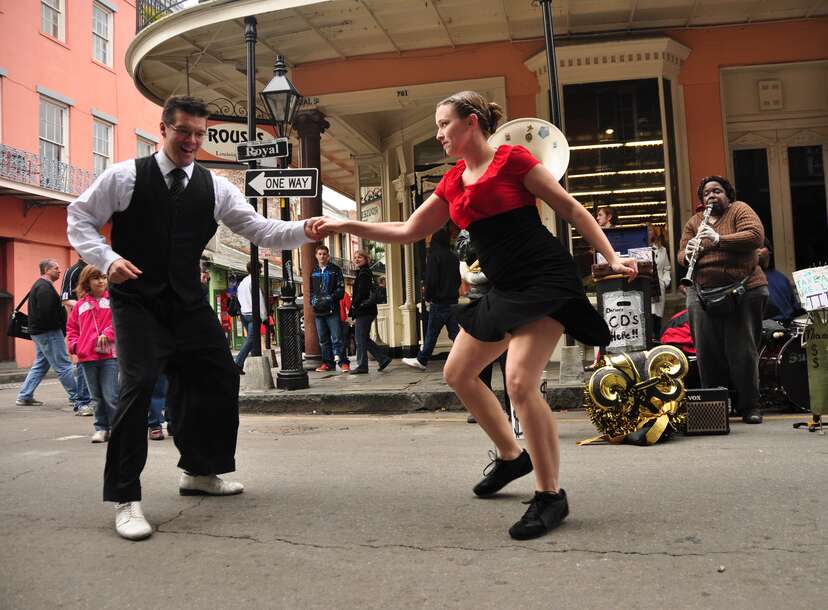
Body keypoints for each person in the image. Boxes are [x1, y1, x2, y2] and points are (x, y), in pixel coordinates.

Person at [317, 90, 637, 540]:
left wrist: (612, 258)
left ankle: (550, 496)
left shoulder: (514, 161)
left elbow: (569, 208)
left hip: (545, 281)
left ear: (471, 122)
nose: (439, 133)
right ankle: (512, 456)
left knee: (520, 383)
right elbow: (409, 230)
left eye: (444, 124)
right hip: (506, 290)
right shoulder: (453, 182)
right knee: (458, 372)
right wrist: (345, 224)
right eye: (436, 126)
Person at [67, 95, 324, 541]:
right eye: (183, 131)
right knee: (139, 386)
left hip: (187, 302)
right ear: (163, 128)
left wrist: (307, 228)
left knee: (218, 377)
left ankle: (200, 472)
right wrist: (106, 260)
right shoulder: (125, 176)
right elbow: (80, 218)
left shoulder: (215, 187)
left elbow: (261, 231)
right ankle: (126, 498)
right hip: (137, 302)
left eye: (199, 133)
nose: (191, 140)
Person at [678, 175, 767, 425]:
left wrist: (718, 240)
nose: (711, 196)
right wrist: (690, 253)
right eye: (706, 193)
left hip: (743, 289)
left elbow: (754, 237)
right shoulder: (694, 221)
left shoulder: (739, 210)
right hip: (703, 291)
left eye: (717, 191)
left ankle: (750, 405)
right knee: (707, 352)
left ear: (728, 195)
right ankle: (715, 408)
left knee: (742, 351)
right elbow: (680, 255)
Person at [456, 230, 511, 426]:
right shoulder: (468, 232)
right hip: (480, 299)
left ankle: (513, 407)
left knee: (509, 360)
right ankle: (484, 408)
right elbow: (463, 251)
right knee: (479, 360)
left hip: (504, 298)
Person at [16, 259, 82, 410]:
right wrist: (59, 327)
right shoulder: (44, 288)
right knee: (64, 364)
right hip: (49, 332)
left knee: (41, 364)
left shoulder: (42, 286)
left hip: (41, 332)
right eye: (56, 268)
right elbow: (47, 313)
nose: (59, 271)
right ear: (47, 270)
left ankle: (24, 395)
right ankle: (77, 397)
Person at [66, 266, 118, 443]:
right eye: (96, 278)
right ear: (87, 281)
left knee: (110, 395)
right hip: (87, 357)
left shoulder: (112, 301)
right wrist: (75, 345)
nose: (101, 281)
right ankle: (101, 428)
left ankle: (116, 428)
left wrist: (108, 334)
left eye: (103, 277)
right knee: (95, 396)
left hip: (109, 356)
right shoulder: (80, 305)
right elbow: (72, 328)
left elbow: (118, 322)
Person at [402, 228, 461, 371]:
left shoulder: (434, 256)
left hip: (439, 302)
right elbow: (458, 280)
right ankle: (471, 356)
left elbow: (432, 279)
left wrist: (428, 296)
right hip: (452, 301)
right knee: (455, 333)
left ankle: (422, 359)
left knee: (432, 333)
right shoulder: (453, 257)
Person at [349, 249, 392, 374]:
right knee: (364, 337)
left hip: (364, 310)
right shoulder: (364, 272)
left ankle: (362, 365)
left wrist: (354, 306)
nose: (357, 259)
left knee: (360, 338)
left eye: (360, 257)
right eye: (355, 257)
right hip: (368, 310)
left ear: (366, 259)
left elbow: (361, 293)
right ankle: (383, 358)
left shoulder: (364, 273)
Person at [310, 244, 350, 373]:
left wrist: (328, 298)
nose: (322, 256)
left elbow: (341, 290)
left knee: (337, 338)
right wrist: (313, 301)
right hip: (318, 312)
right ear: (316, 256)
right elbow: (311, 290)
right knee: (323, 340)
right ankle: (328, 363)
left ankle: (344, 363)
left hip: (332, 310)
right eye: (320, 254)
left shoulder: (335, 270)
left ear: (328, 256)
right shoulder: (314, 271)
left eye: (324, 254)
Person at [60, 255, 92, 414]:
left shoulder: (101, 268)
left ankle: (95, 400)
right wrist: (87, 306)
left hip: (101, 322)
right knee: (84, 359)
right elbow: (65, 299)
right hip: (82, 322)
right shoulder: (73, 271)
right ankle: (82, 402)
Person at [757, 239, 803, 323]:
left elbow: (794, 308)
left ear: (769, 251)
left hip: (786, 328)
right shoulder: (747, 279)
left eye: (760, 247)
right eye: (753, 248)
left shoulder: (781, 277)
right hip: (763, 330)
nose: (757, 251)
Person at [233, 260, 267, 375]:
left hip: (244, 314)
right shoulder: (254, 282)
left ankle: (254, 363)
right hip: (253, 314)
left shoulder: (242, 282)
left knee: (252, 340)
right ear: (256, 269)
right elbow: (259, 300)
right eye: (260, 269)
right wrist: (264, 316)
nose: (261, 271)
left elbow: (239, 298)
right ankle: (237, 363)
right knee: (251, 339)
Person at [647, 223, 672, 338]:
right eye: (646, 230)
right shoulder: (641, 250)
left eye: (650, 229)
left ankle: (657, 340)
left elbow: (667, 267)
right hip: (646, 287)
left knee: (657, 317)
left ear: (654, 232)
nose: (648, 232)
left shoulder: (663, 250)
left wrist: (666, 281)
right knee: (648, 316)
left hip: (659, 287)